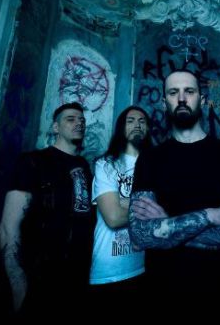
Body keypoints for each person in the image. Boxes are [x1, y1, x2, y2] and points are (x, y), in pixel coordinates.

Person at [128, 70, 220, 325]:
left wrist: (167, 226)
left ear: (202, 99)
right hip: (165, 296)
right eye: (173, 92)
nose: (181, 98)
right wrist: (210, 215)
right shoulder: (150, 159)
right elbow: (139, 237)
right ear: (163, 102)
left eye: (189, 91)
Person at [0, 102, 95, 324]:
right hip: (39, 275)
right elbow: (7, 227)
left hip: (78, 278)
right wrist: (18, 283)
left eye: (82, 120)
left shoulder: (84, 167)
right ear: (55, 127)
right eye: (70, 119)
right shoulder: (33, 161)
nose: (79, 123)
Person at [89, 106, 152, 322]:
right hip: (110, 270)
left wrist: (124, 201)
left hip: (146, 266)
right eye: (130, 120)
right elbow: (114, 217)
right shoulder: (106, 164)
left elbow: (168, 211)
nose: (137, 125)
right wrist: (147, 206)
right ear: (121, 128)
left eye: (142, 121)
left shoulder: (155, 165)